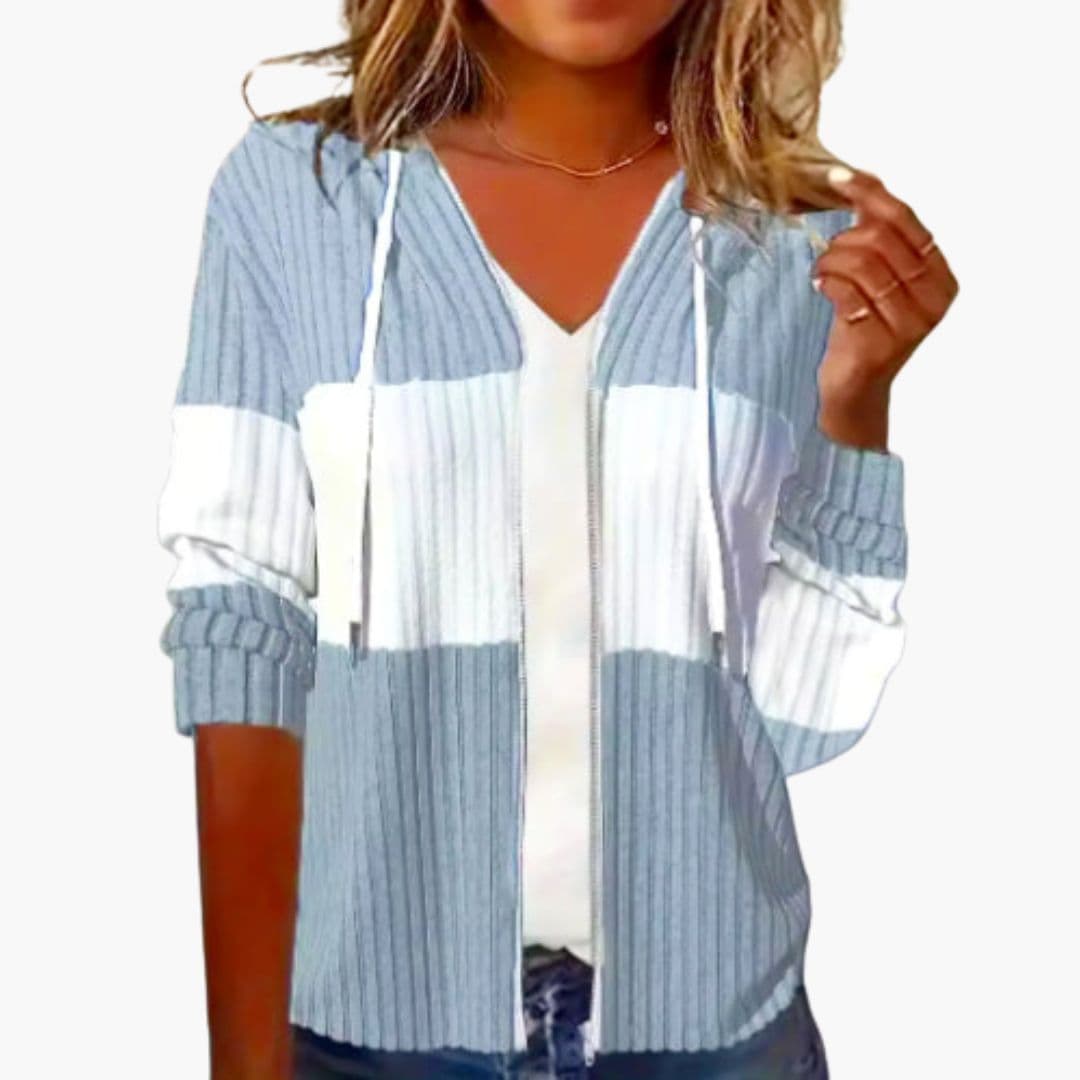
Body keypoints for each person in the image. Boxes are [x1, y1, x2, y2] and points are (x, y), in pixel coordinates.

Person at [156, 1, 957, 1076]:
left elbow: (797, 723)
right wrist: (246, 1060)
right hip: (370, 1030)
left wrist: (857, 401)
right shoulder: (301, 196)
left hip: (716, 1031)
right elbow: (240, 625)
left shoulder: (796, 237)